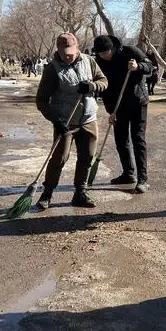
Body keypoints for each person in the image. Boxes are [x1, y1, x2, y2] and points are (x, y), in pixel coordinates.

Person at [34, 32, 108, 209]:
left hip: (88, 119)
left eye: (71, 53)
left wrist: (92, 86)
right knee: (59, 158)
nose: (68, 56)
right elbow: (41, 100)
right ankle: (47, 193)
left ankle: (80, 193)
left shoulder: (89, 61)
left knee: (87, 157)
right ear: (58, 50)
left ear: (77, 48)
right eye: (64, 53)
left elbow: (104, 81)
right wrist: (55, 120)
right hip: (65, 122)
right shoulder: (52, 69)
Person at [93, 35, 154, 194]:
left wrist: (138, 66)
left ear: (112, 48)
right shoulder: (100, 62)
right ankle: (128, 174)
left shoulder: (131, 51)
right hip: (117, 106)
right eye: (100, 54)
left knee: (138, 139)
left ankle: (142, 179)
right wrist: (110, 111)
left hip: (137, 102)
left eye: (106, 52)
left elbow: (150, 66)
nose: (104, 56)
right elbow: (104, 89)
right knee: (121, 140)